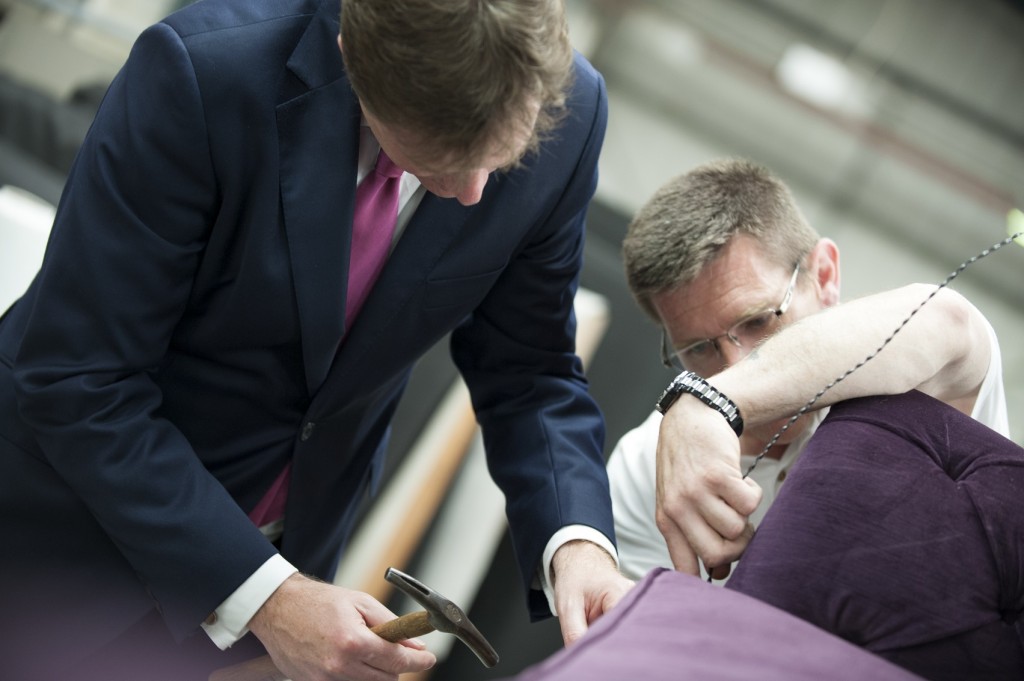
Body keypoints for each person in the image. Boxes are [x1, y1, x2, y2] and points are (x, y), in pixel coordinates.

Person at [0, 1, 633, 680]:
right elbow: (81, 377)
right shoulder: (204, 73)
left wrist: (576, 541)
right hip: (59, 547)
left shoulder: (574, 114)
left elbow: (530, 370)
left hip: (284, 583)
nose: (477, 194)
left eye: (501, 158)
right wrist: (264, 593)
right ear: (351, 58)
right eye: (442, 162)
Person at [608, 158, 1009, 581]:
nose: (734, 365)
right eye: (698, 349)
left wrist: (710, 401)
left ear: (824, 274)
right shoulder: (643, 465)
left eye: (759, 320)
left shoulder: (913, 377)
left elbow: (948, 321)